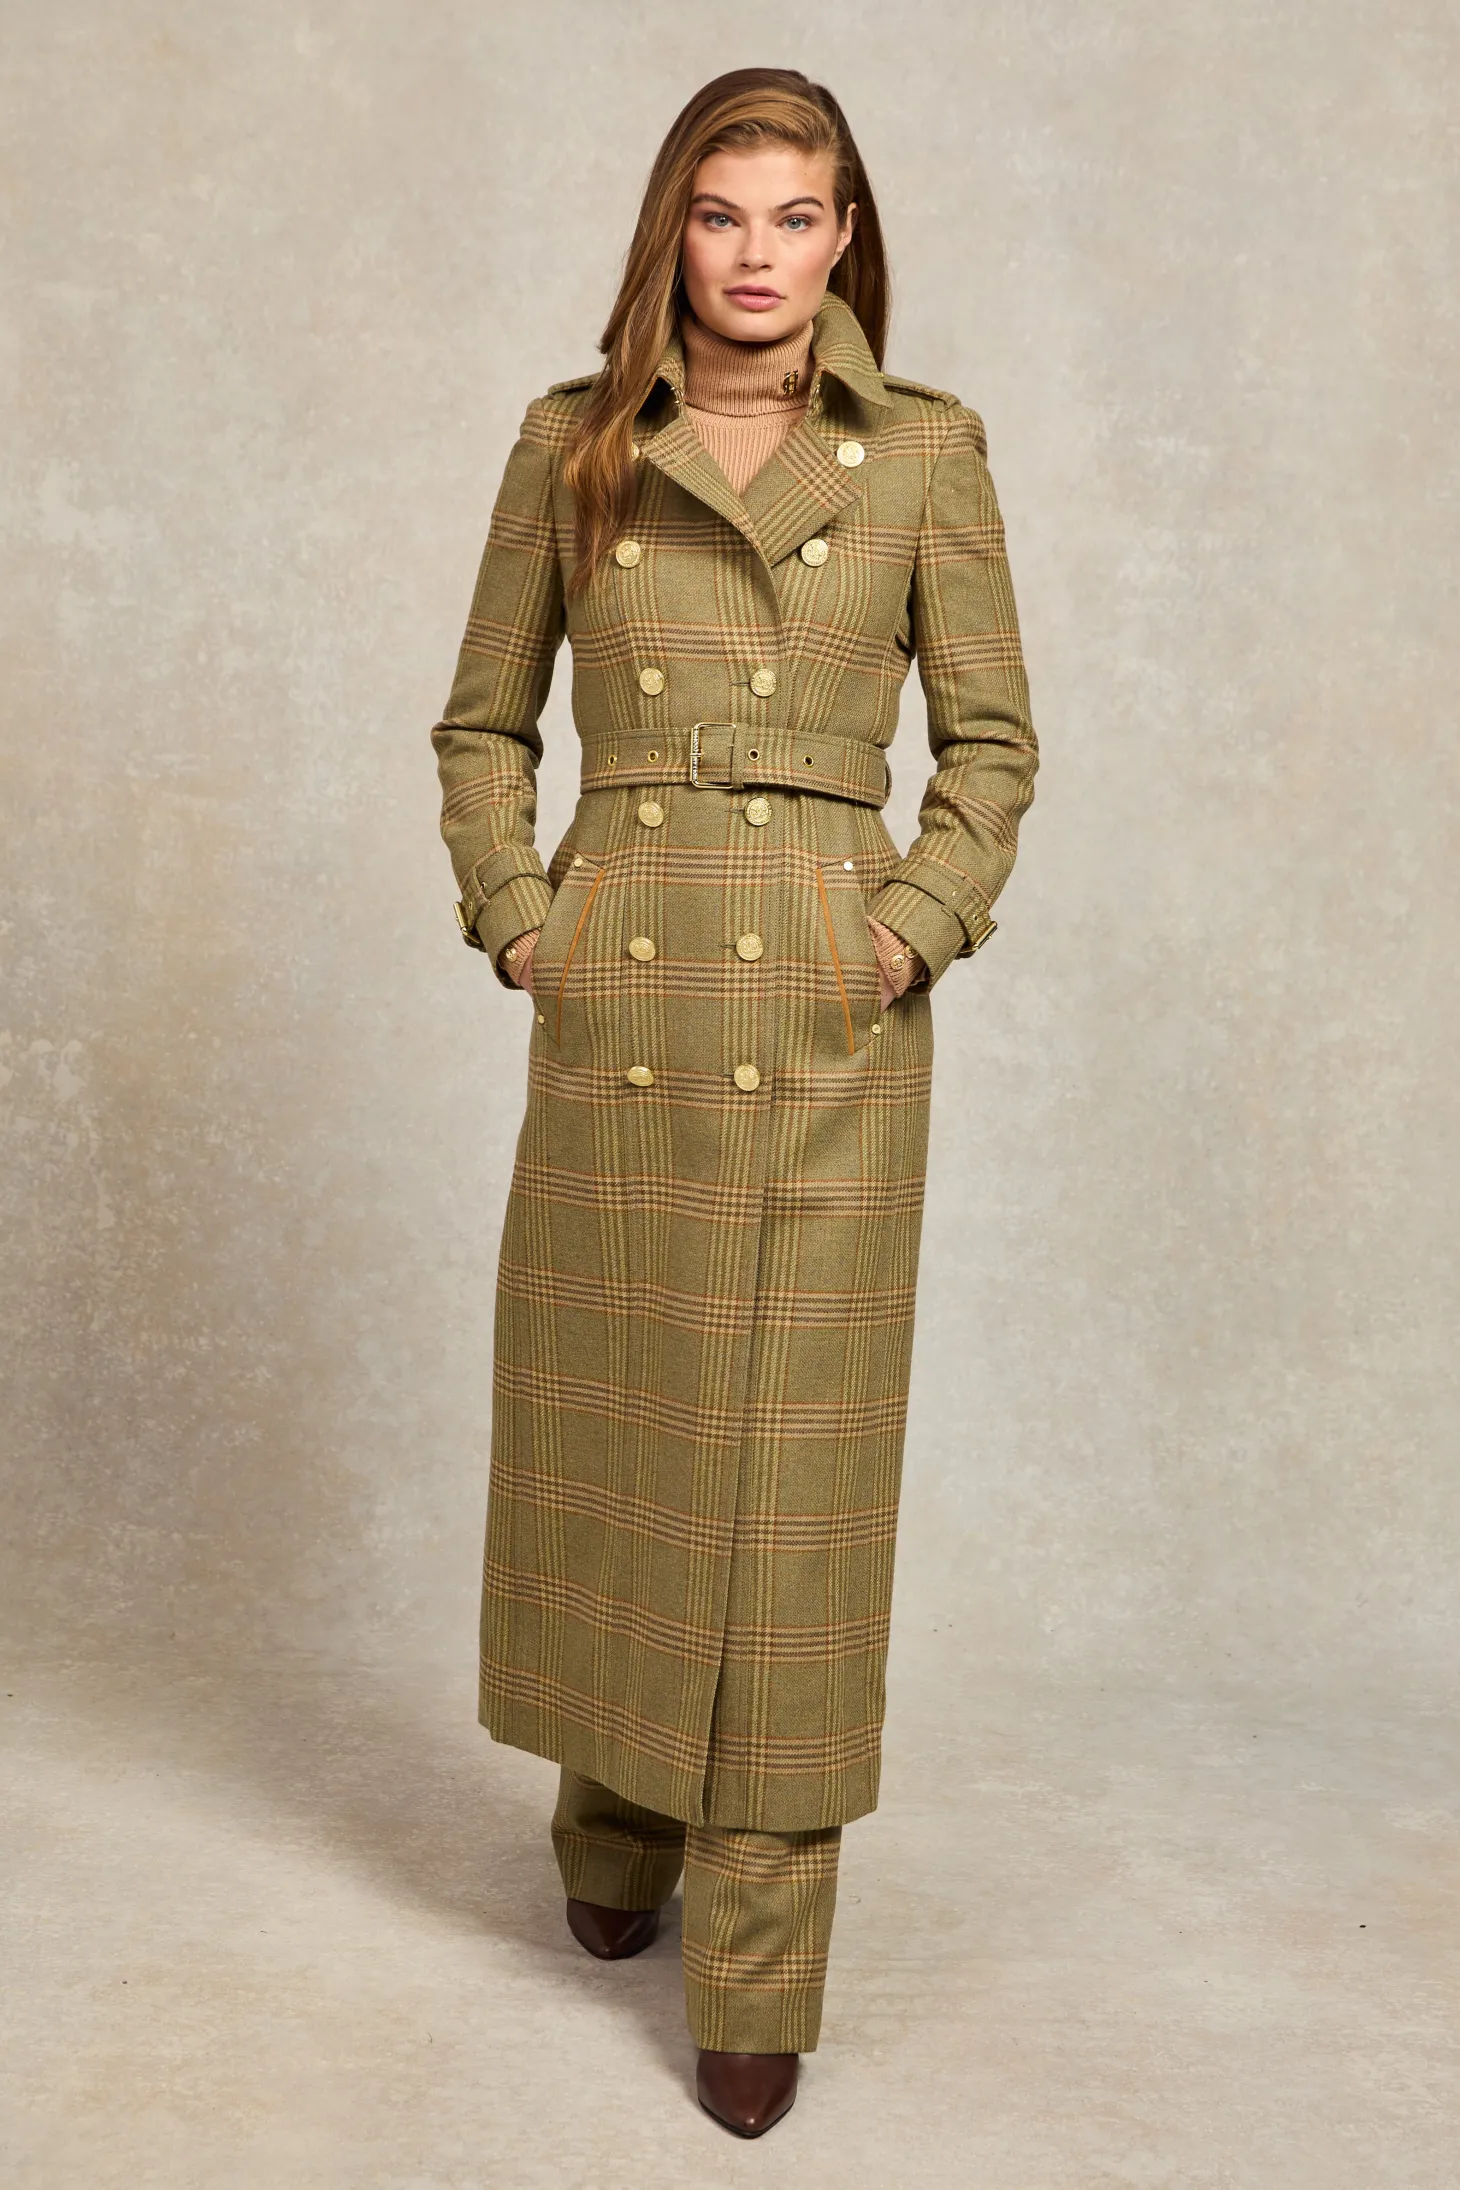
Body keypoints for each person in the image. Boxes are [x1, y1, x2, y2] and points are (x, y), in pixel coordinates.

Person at [431, 66, 1038, 2138]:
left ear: (847, 235)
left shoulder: (927, 450)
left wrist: (912, 926)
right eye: (721, 212)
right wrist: (527, 921)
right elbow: (482, 723)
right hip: (626, 987)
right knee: (627, 1426)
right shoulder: (576, 441)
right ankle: (613, 1827)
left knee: (789, 1495)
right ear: (670, 232)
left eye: (796, 214)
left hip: (827, 1011)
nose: (758, 253)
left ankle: (759, 1968)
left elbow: (992, 745)